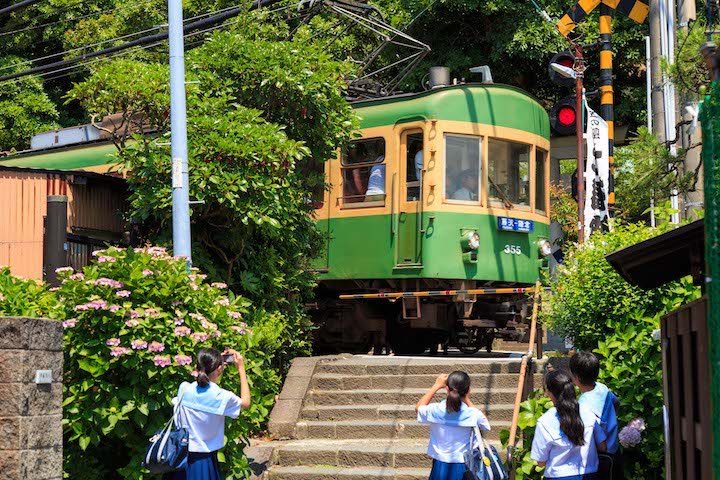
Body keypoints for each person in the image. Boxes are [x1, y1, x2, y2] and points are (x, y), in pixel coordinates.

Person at [164, 348, 251, 480]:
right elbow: (246, 403)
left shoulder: (184, 388)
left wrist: (215, 362)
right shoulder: (222, 397)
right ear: (220, 369)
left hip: (178, 459)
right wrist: (241, 368)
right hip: (204, 461)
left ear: (196, 367)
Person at [531, 370, 607, 480]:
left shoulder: (545, 421)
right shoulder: (588, 413)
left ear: (549, 393)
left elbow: (541, 462)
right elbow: (603, 447)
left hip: (557, 476)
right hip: (589, 475)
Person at [416, 371, 490, 480]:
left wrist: (436, 386)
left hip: (439, 464)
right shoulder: (473, 414)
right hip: (464, 465)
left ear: (447, 389)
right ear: (468, 390)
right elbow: (486, 426)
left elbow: (419, 407)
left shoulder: (435, 410)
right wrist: (466, 398)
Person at [570, 352, 621, 480]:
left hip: (601, 456)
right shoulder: (602, 388)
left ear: (575, 377)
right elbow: (616, 402)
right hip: (615, 449)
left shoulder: (583, 404)